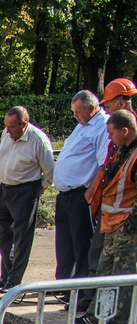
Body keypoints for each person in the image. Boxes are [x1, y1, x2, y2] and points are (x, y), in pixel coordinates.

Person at [76, 110, 137, 324]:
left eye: (112, 134)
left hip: (126, 227)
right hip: (112, 223)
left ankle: (120, 318)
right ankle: (99, 314)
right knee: (104, 270)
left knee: (123, 273)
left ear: (125, 130)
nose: (110, 139)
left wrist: (130, 223)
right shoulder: (124, 152)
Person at [52, 91, 108, 307]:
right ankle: (65, 287)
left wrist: (89, 194)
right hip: (65, 195)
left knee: (81, 245)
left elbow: (103, 164)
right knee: (64, 245)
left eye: (77, 112)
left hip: (80, 195)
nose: (75, 116)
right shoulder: (82, 125)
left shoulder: (102, 125)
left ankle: (81, 292)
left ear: (91, 108)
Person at [0, 106, 54, 292]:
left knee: (22, 237)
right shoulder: (6, 134)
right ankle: (6, 275)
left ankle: (15, 280)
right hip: (5, 189)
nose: (7, 131)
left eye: (12, 127)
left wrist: (39, 189)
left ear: (24, 124)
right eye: (6, 126)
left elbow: (49, 171)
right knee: (3, 234)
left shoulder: (38, 140)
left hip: (25, 190)